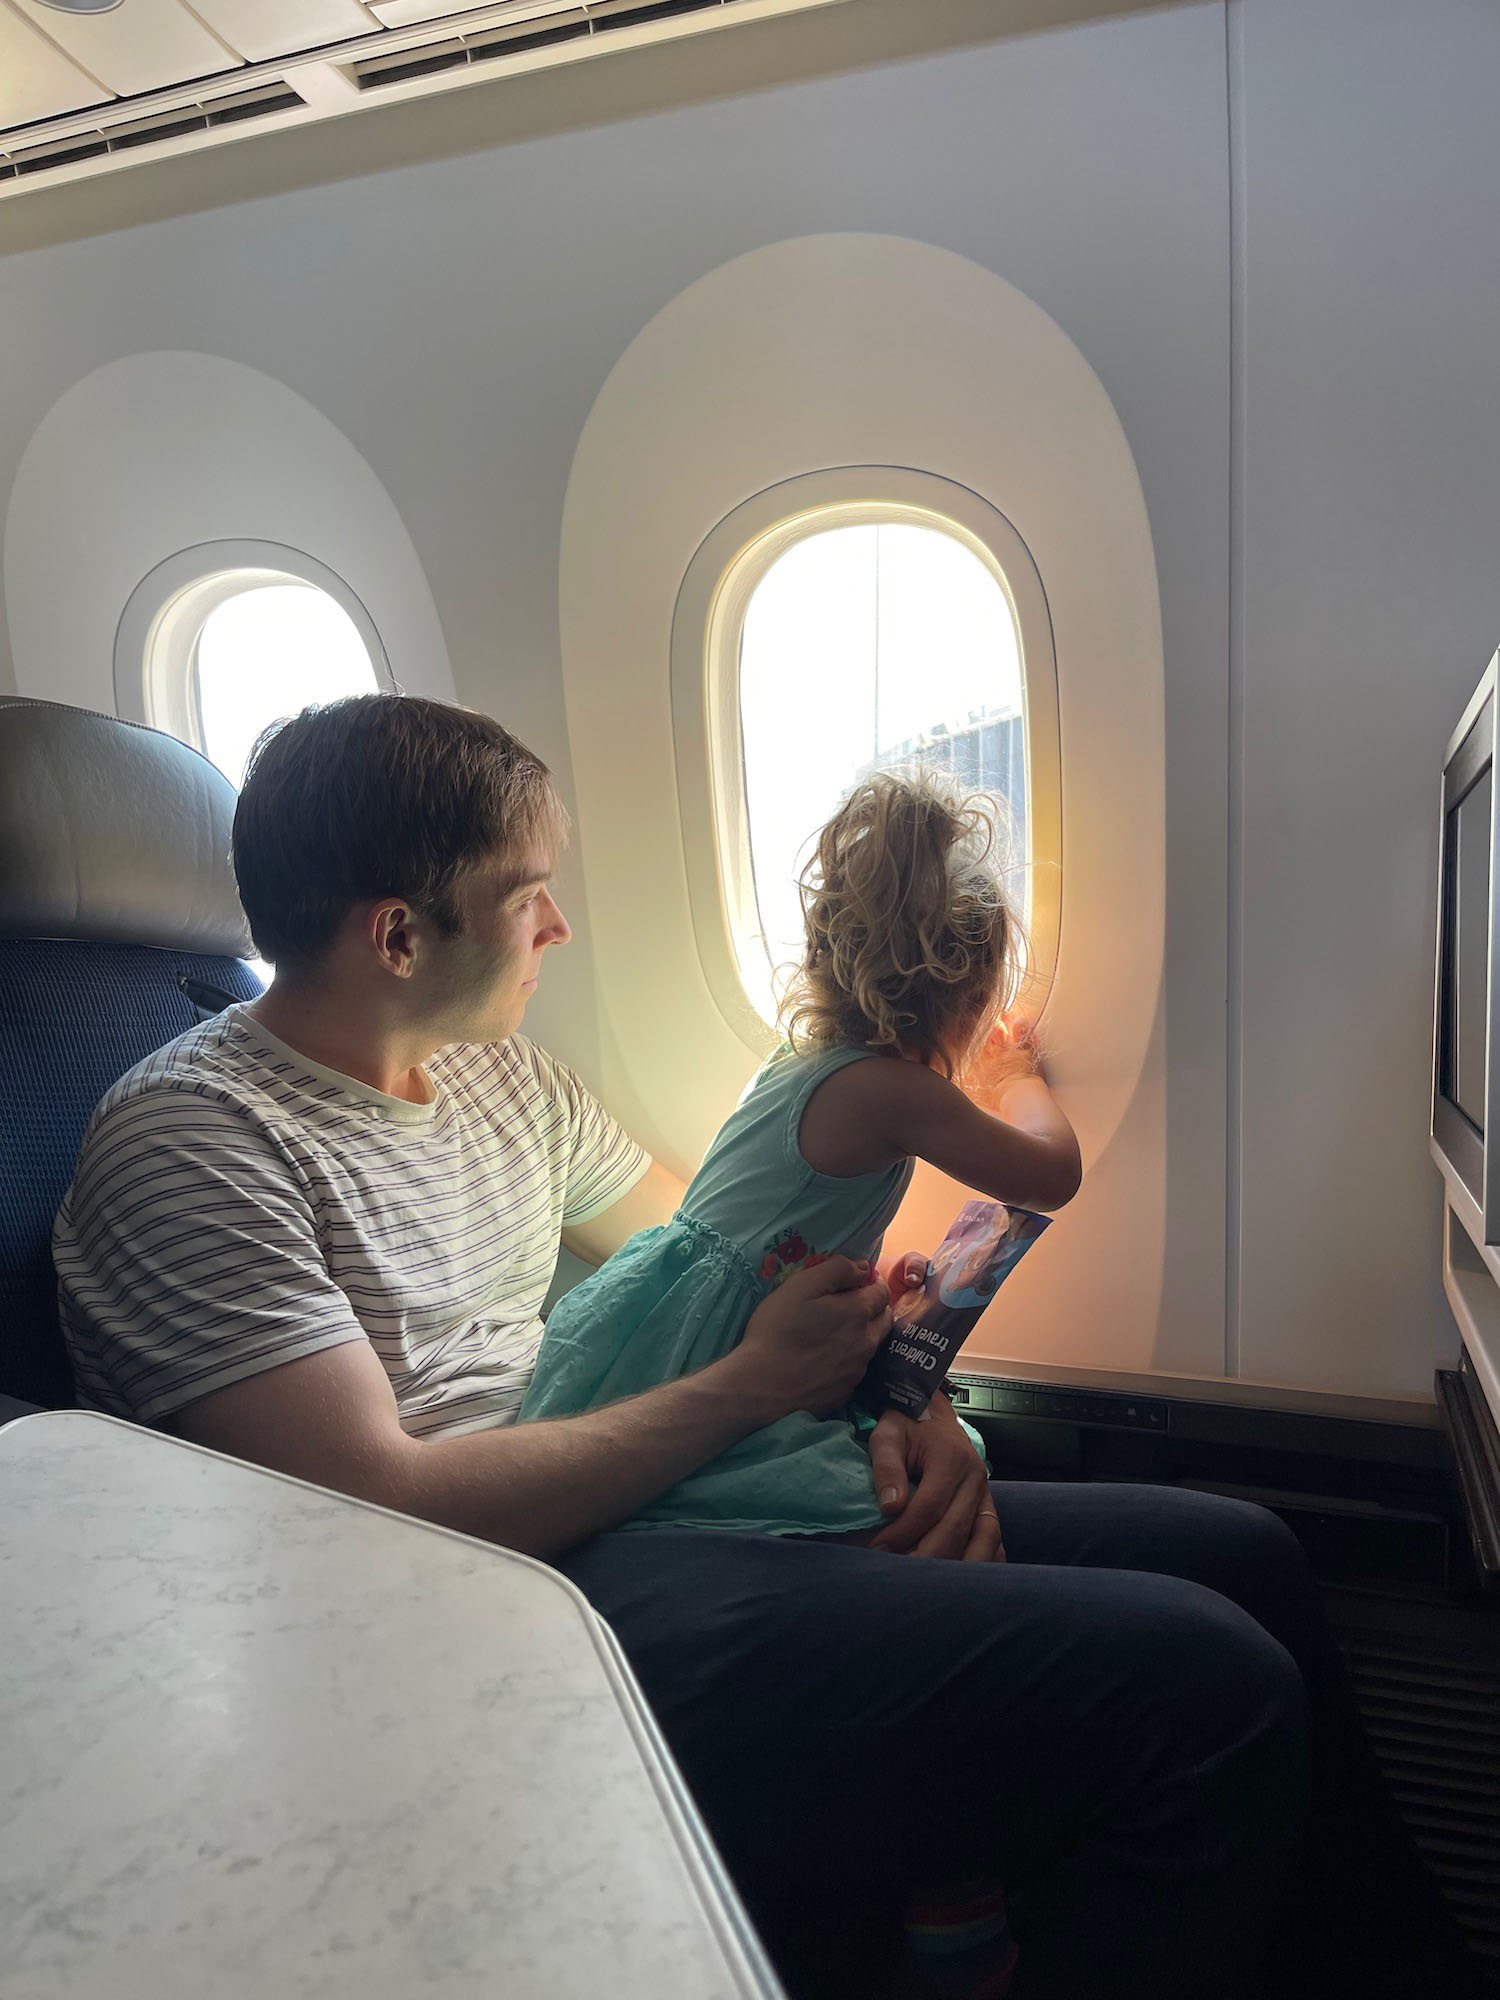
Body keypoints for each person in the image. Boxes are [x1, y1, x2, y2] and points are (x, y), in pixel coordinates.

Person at [51, 696, 1485, 2000]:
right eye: (529, 900)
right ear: (399, 935)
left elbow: (738, 1269)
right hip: (495, 1589)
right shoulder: (195, 1141)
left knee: (1243, 1554)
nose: (558, 933)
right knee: (1205, 1690)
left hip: (654, 1495)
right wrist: (753, 1390)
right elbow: (380, 1508)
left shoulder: (497, 1078)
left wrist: (904, 1404)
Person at [516, 772, 1080, 1541]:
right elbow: (1052, 1173)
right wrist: (1015, 1078)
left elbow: (777, 1237)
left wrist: (868, 1280)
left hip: (665, 1338)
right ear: (967, 1000)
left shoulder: (797, 1059)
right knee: (865, 1501)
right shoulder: (892, 1091)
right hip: (719, 1356)